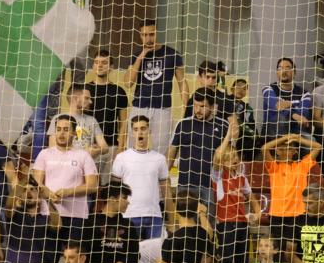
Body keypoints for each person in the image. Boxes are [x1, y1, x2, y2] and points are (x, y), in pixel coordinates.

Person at [210, 119, 261, 263]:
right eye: (229, 159)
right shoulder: (219, 177)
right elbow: (217, 156)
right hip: (226, 223)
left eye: (236, 157)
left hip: (242, 224)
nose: (234, 160)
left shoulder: (241, 178)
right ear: (223, 163)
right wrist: (228, 137)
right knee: (225, 259)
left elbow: (251, 196)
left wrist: (258, 212)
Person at [33, 114, 98, 243]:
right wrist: (49, 194)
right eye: (58, 129)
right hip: (49, 214)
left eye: (66, 129)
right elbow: (37, 183)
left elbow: (93, 186)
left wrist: (68, 192)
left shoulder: (83, 155)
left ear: (74, 132)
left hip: (76, 215)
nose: (61, 133)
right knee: (48, 259)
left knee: (74, 257)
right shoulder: (44, 154)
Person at [126, 19, 188, 153]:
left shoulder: (172, 54)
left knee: (161, 148)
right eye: (145, 35)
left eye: (152, 34)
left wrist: (186, 108)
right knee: (133, 147)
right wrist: (141, 57)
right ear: (140, 35)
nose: (148, 38)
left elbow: (182, 82)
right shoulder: (137, 55)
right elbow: (128, 82)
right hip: (140, 106)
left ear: (156, 33)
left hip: (162, 108)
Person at [112, 116, 171, 241]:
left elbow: (166, 191)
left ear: (149, 131)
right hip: (129, 215)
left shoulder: (159, 159)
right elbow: (114, 191)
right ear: (132, 133)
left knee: (154, 257)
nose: (140, 132)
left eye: (143, 128)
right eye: (136, 129)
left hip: (154, 216)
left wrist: (171, 219)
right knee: (131, 256)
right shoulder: (121, 158)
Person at [262, 134, 322, 252]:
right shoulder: (274, 167)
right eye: (281, 148)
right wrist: (284, 139)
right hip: (277, 214)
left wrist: (299, 139)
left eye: (289, 148)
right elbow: (264, 148)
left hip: (298, 214)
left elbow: (318, 147)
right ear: (277, 151)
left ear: (294, 151)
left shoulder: (302, 166)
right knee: (278, 250)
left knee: (297, 250)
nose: (285, 150)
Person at [168, 89, 227, 208]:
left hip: (211, 186)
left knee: (208, 225)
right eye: (195, 105)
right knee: (186, 225)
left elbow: (228, 157)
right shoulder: (183, 124)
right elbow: (171, 155)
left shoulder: (223, 126)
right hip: (185, 186)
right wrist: (163, 178)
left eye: (202, 106)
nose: (198, 110)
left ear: (212, 106)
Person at [0, 182, 62, 263]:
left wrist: (47, 198)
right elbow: (9, 206)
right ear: (20, 197)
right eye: (24, 190)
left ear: (39, 196)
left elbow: (57, 224)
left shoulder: (45, 219)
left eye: (33, 189)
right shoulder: (15, 216)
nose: (29, 192)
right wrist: (23, 177)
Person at [86, 180, 140, 263]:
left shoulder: (128, 225)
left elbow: (135, 255)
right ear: (112, 199)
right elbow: (84, 252)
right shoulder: (90, 222)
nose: (128, 202)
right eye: (124, 198)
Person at [159, 195, 215, 263]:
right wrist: (202, 213)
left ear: (177, 211)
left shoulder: (172, 239)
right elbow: (209, 231)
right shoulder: (201, 234)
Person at [46, 84, 108, 160]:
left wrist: (97, 151)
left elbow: (104, 147)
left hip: (86, 165)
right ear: (75, 99)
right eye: (87, 98)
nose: (91, 101)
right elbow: (53, 148)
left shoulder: (92, 120)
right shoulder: (58, 118)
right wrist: (80, 154)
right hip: (65, 164)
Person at [85, 49, 130, 151]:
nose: (99, 65)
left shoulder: (119, 91)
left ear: (111, 67)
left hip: (110, 146)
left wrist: (120, 148)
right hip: (87, 146)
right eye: (96, 62)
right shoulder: (84, 89)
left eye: (104, 63)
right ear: (93, 66)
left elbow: (123, 123)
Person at [259, 57, 313, 142]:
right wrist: (294, 112)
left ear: (294, 72)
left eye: (287, 68)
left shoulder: (305, 94)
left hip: (295, 131)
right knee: (281, 118)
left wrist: (289, 104)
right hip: (272, 132)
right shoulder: (269, 89)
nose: (283, 71)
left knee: (311, 140)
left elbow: (303, 114)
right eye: (280, 68)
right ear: (277, 72)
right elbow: (277, 106)